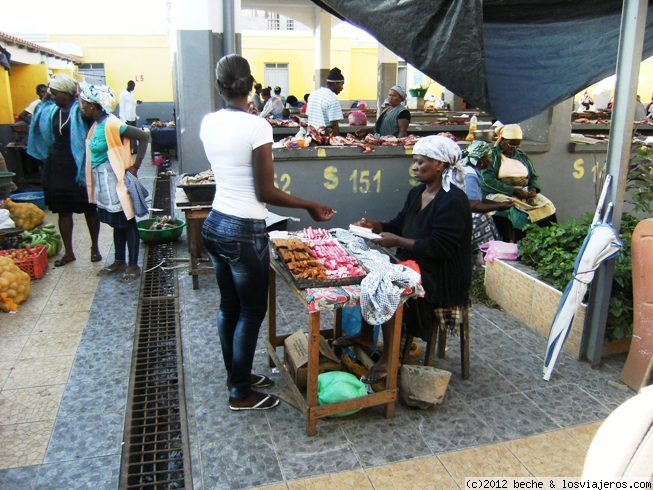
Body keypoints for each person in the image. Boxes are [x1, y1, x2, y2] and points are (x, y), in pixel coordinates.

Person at [199, 54, 335, 411]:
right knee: (250, 311)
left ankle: (236, 375)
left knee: (230, 306)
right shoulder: (257, 126)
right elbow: (265, 192)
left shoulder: (208, 122)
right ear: (251, 85)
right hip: (243, 230)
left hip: (215, 223)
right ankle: (240, 392)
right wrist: (308, 204)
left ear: (219, 86)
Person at [335, 135, 472, 384]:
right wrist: (375, 226)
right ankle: (366, 334)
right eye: (415, 162)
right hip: (414, 264)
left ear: (440, 165)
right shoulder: (417, 192)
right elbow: (400, 223)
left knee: (390, 286)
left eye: (421, 162)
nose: (415, 167)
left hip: (442, 275)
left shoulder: (453, 201)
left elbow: (440, 248)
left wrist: (397, 241)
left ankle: (390, 358)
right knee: (370, 275)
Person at [27, 74, 102, 267]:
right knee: (63, 210)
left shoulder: (80, 111)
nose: (52, 95)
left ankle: (95, 247)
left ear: (67, 94)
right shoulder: (50, 111)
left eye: (56, 92)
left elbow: (94, 112)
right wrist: (45, 99)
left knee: (89, 209)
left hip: (79, 166)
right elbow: (37, 118)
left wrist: (81, 96)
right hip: (57, 166)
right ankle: (69, 252)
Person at [79, 82, 150, 283]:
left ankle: (133, 265)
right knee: (117, 223)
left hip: (115, 180)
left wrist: (135, 167)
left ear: (93, 106)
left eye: (84, 103)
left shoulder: (112, 124)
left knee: (127, 223)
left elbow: (144, 137)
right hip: (104, 182)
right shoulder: (96, 125)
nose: (82, 106)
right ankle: (119, 260)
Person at [480, 123, 556, 242]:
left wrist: (533, 188)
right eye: (511, 144)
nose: (514, 148)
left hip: (523, 192)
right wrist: (513, 190)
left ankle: (547, 241)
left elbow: (533, 176)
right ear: (502, 140)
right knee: (518, 213)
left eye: (517, 145)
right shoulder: (492, 156)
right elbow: (487, 181)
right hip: (498, 193)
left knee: (547, 207)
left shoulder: (521, 155)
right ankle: (520, 244)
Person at [456, 140, 513, 252]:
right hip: (458, 215)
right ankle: (484, 254)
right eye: (489, 158)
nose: (491, 161)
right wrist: (498, 207)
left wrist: (500, 204)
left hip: (462, 209)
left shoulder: (471, 170)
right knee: (482, 217)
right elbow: (473, 206)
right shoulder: (470, 175)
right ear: (481, 160)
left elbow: (479, 199)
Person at [306, 67, 345, 135]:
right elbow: (335, 126)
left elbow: (309, 117)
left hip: (311, 137)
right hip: (324, 139)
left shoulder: (313, 95)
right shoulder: (332, 99)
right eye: (342, 84)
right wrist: (337, 142)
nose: (342, 88)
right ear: (335, 83)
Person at [118, 80, 142, 154]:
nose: (134, 88)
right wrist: (123, 119)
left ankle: (135, 149)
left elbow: (133, 104)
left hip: (133, 117)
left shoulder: (131, 94)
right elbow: (121, 108)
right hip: (127, 118)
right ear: (129, 86)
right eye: (133, 86)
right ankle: (129, 150)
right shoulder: (123, 95)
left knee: (134, 134)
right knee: (128, 136)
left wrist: (137, 103)